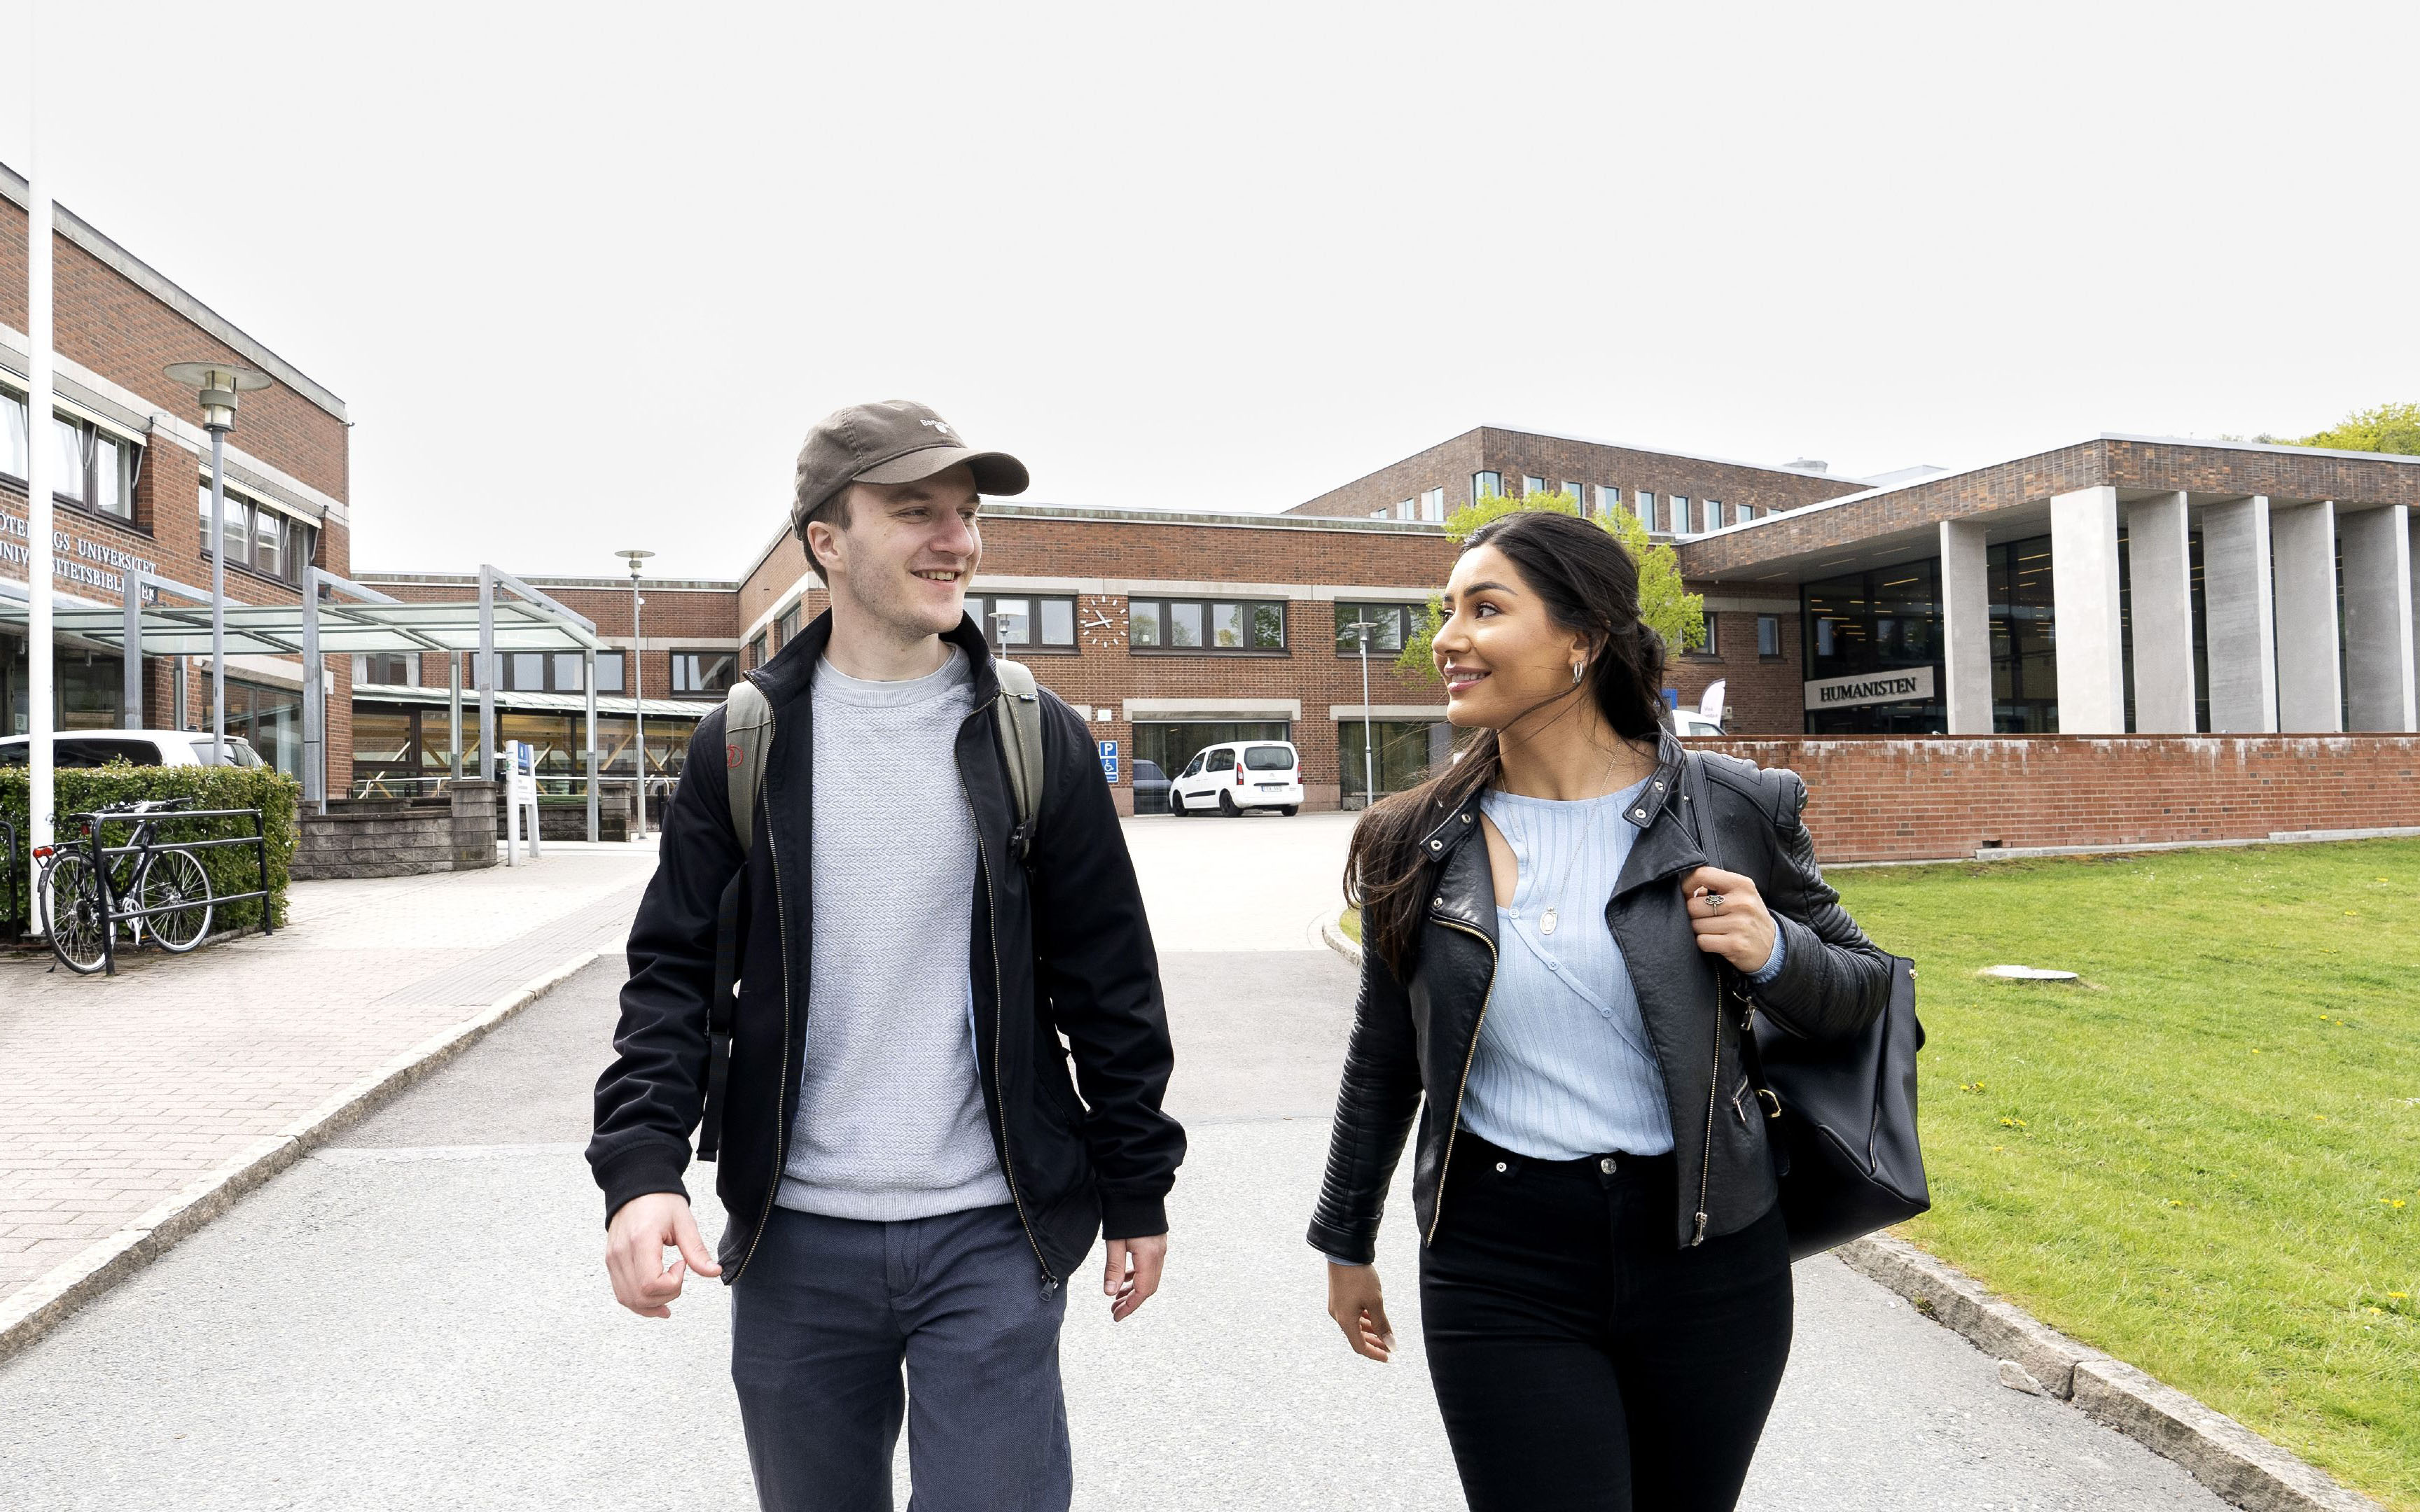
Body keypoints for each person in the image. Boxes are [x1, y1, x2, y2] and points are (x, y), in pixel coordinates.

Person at [587, 400, 1185, 1512]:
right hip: (795, 1244)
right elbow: (670, 975)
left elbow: (1109, 984)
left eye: (965, 514)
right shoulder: (743, 741)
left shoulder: (1031, 732)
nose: (956, 540)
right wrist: (641, 1172)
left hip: (990, 1234)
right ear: (827, 539)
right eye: (917, 513)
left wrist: (1137, 1188)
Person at [1307, 509, 1892, 1512]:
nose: (1448, 638)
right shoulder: (1412, 840)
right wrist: (1345, 1241)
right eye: (1447, 610)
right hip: (1500, 1258)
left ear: (1581, 638)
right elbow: (1384, 1054)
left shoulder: (1732, 806)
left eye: (1485, 609)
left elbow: (1863, 987)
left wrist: (1776, 950)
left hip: (1710, 1257)